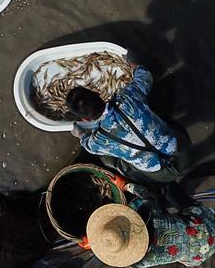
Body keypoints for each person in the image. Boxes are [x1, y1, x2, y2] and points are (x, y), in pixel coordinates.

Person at [67, 51, 191, 184]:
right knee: (150, 111)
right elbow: (144, 75)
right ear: (98, 93)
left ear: (85, 120)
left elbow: (87, 144)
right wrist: (131, 60)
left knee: (107, 159)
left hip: (162, 174)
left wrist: (79, 133)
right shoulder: (128, 97)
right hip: (182, 147)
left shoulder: (97, 141)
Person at [85, 190, 215, 268]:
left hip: (199, 256)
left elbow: (125, 259)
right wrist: (126, 186)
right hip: (206, 224)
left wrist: (95, 243)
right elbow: (146, 195)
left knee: (180, 245)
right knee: (168, 189)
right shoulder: (149, 211)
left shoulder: (138, 263)